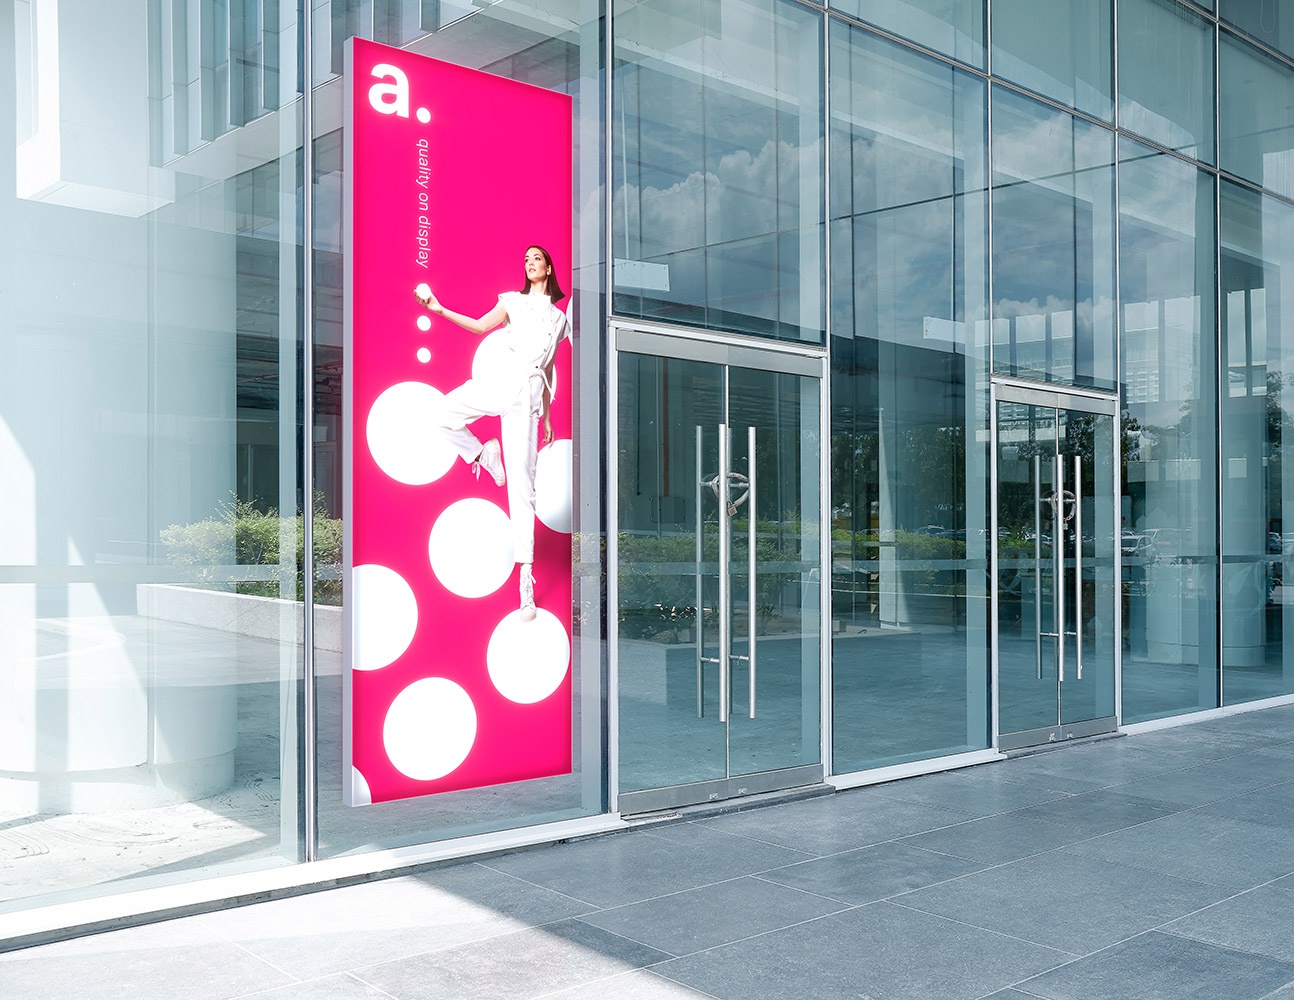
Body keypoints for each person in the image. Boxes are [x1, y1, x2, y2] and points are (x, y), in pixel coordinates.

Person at [415, 245, 571, 621]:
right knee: (441, 414)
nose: (529, 263)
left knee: (523, 489)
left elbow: (548, 368)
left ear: (549, 268)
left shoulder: (559, 319)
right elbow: (480, 325)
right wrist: (439, 310)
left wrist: (547, 417)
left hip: (528, 400)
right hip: (501, 382)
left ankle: (525, 579)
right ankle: (482, 453)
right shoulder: (512, 301)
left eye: (536, 259)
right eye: (526, 259)